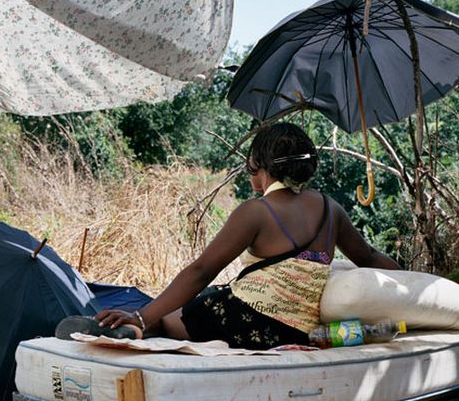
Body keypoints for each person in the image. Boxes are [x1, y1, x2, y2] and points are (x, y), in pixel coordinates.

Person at [57, 122, 400, 351]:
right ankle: (137, 326)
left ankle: (134, 329)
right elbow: (368, 258)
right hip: (298, 332)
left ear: (260, 167)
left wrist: (143, 315)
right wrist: (417, 279)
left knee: (173, 313)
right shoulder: (331, 209)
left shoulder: (256, 211)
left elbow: (201, 269)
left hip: (249, 322)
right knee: (210, 294)